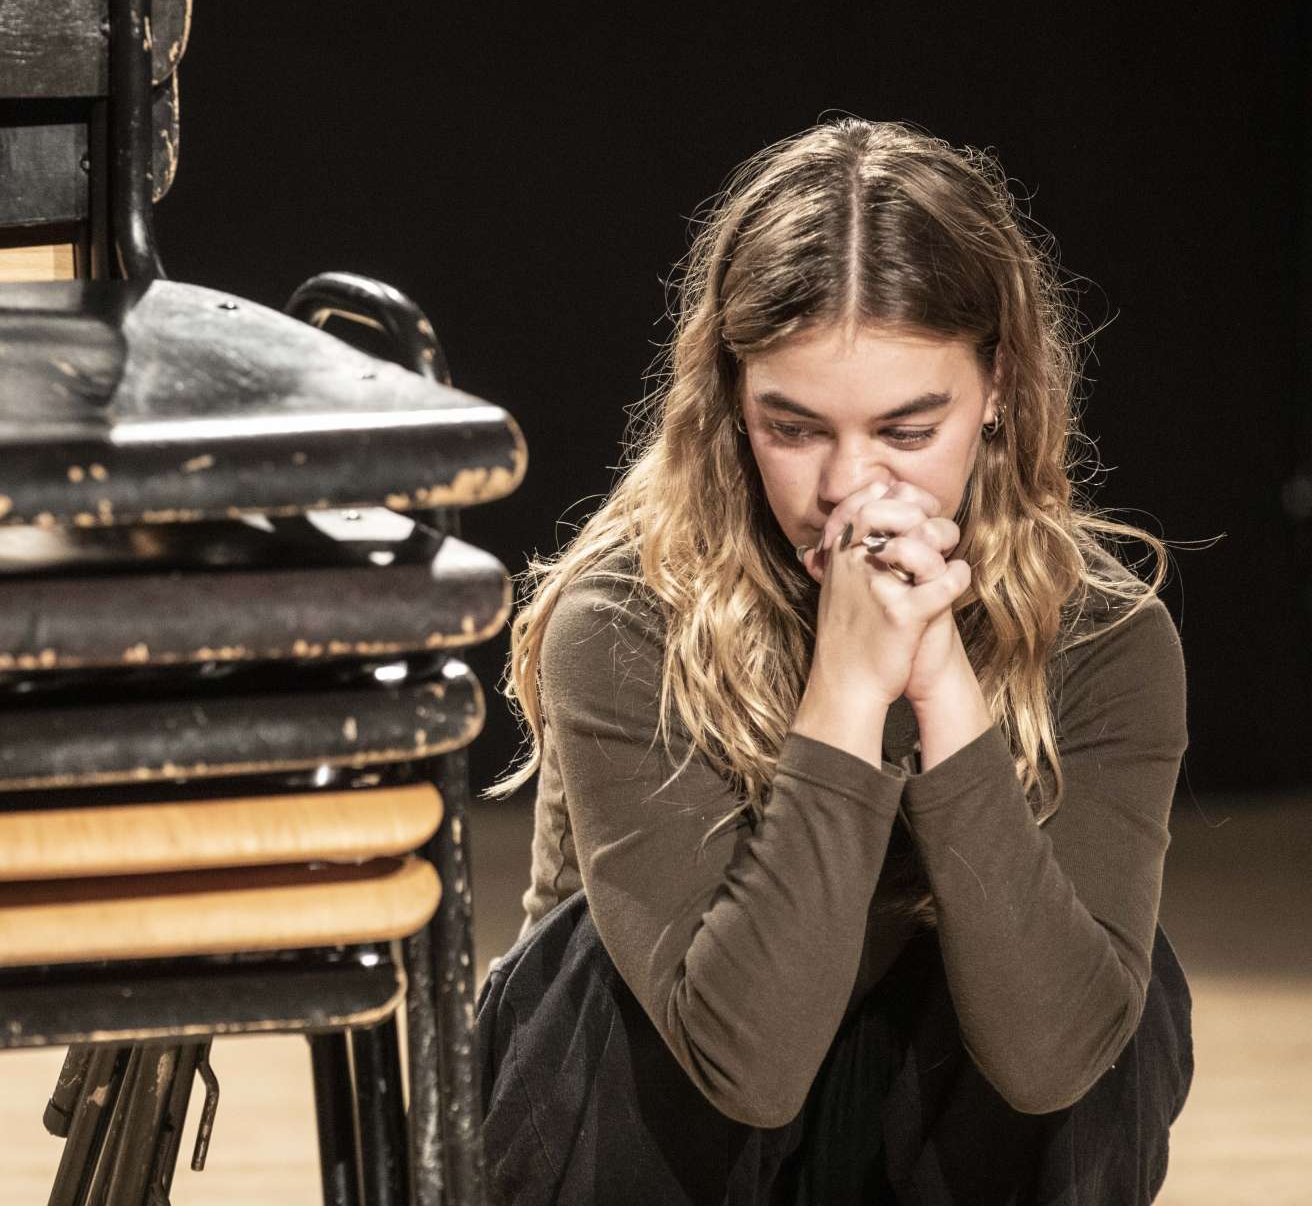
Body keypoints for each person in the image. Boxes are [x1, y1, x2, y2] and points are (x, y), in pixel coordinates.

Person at [474, 117, 1194, 1205]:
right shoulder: (625, 614)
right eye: (795, 428)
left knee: (1113, 995)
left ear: (997, 384)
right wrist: (848, 689)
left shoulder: (1104, 633)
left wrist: (940, 681)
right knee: (590, 965)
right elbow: (746, 1066)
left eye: (908, 430)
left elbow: (1054, 1059)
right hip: (668, 1125)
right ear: (732, 401)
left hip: (931, 1125)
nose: (850, 491)